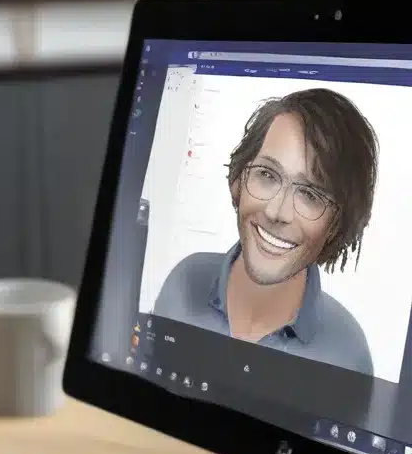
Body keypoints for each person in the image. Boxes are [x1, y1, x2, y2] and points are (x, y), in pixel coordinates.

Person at [153, 87, 378, 376]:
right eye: (267, 175)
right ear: (237, 180)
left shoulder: (347, 355)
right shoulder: (182, 283)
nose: (277, 212)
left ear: (336, 225)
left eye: (311, 194)